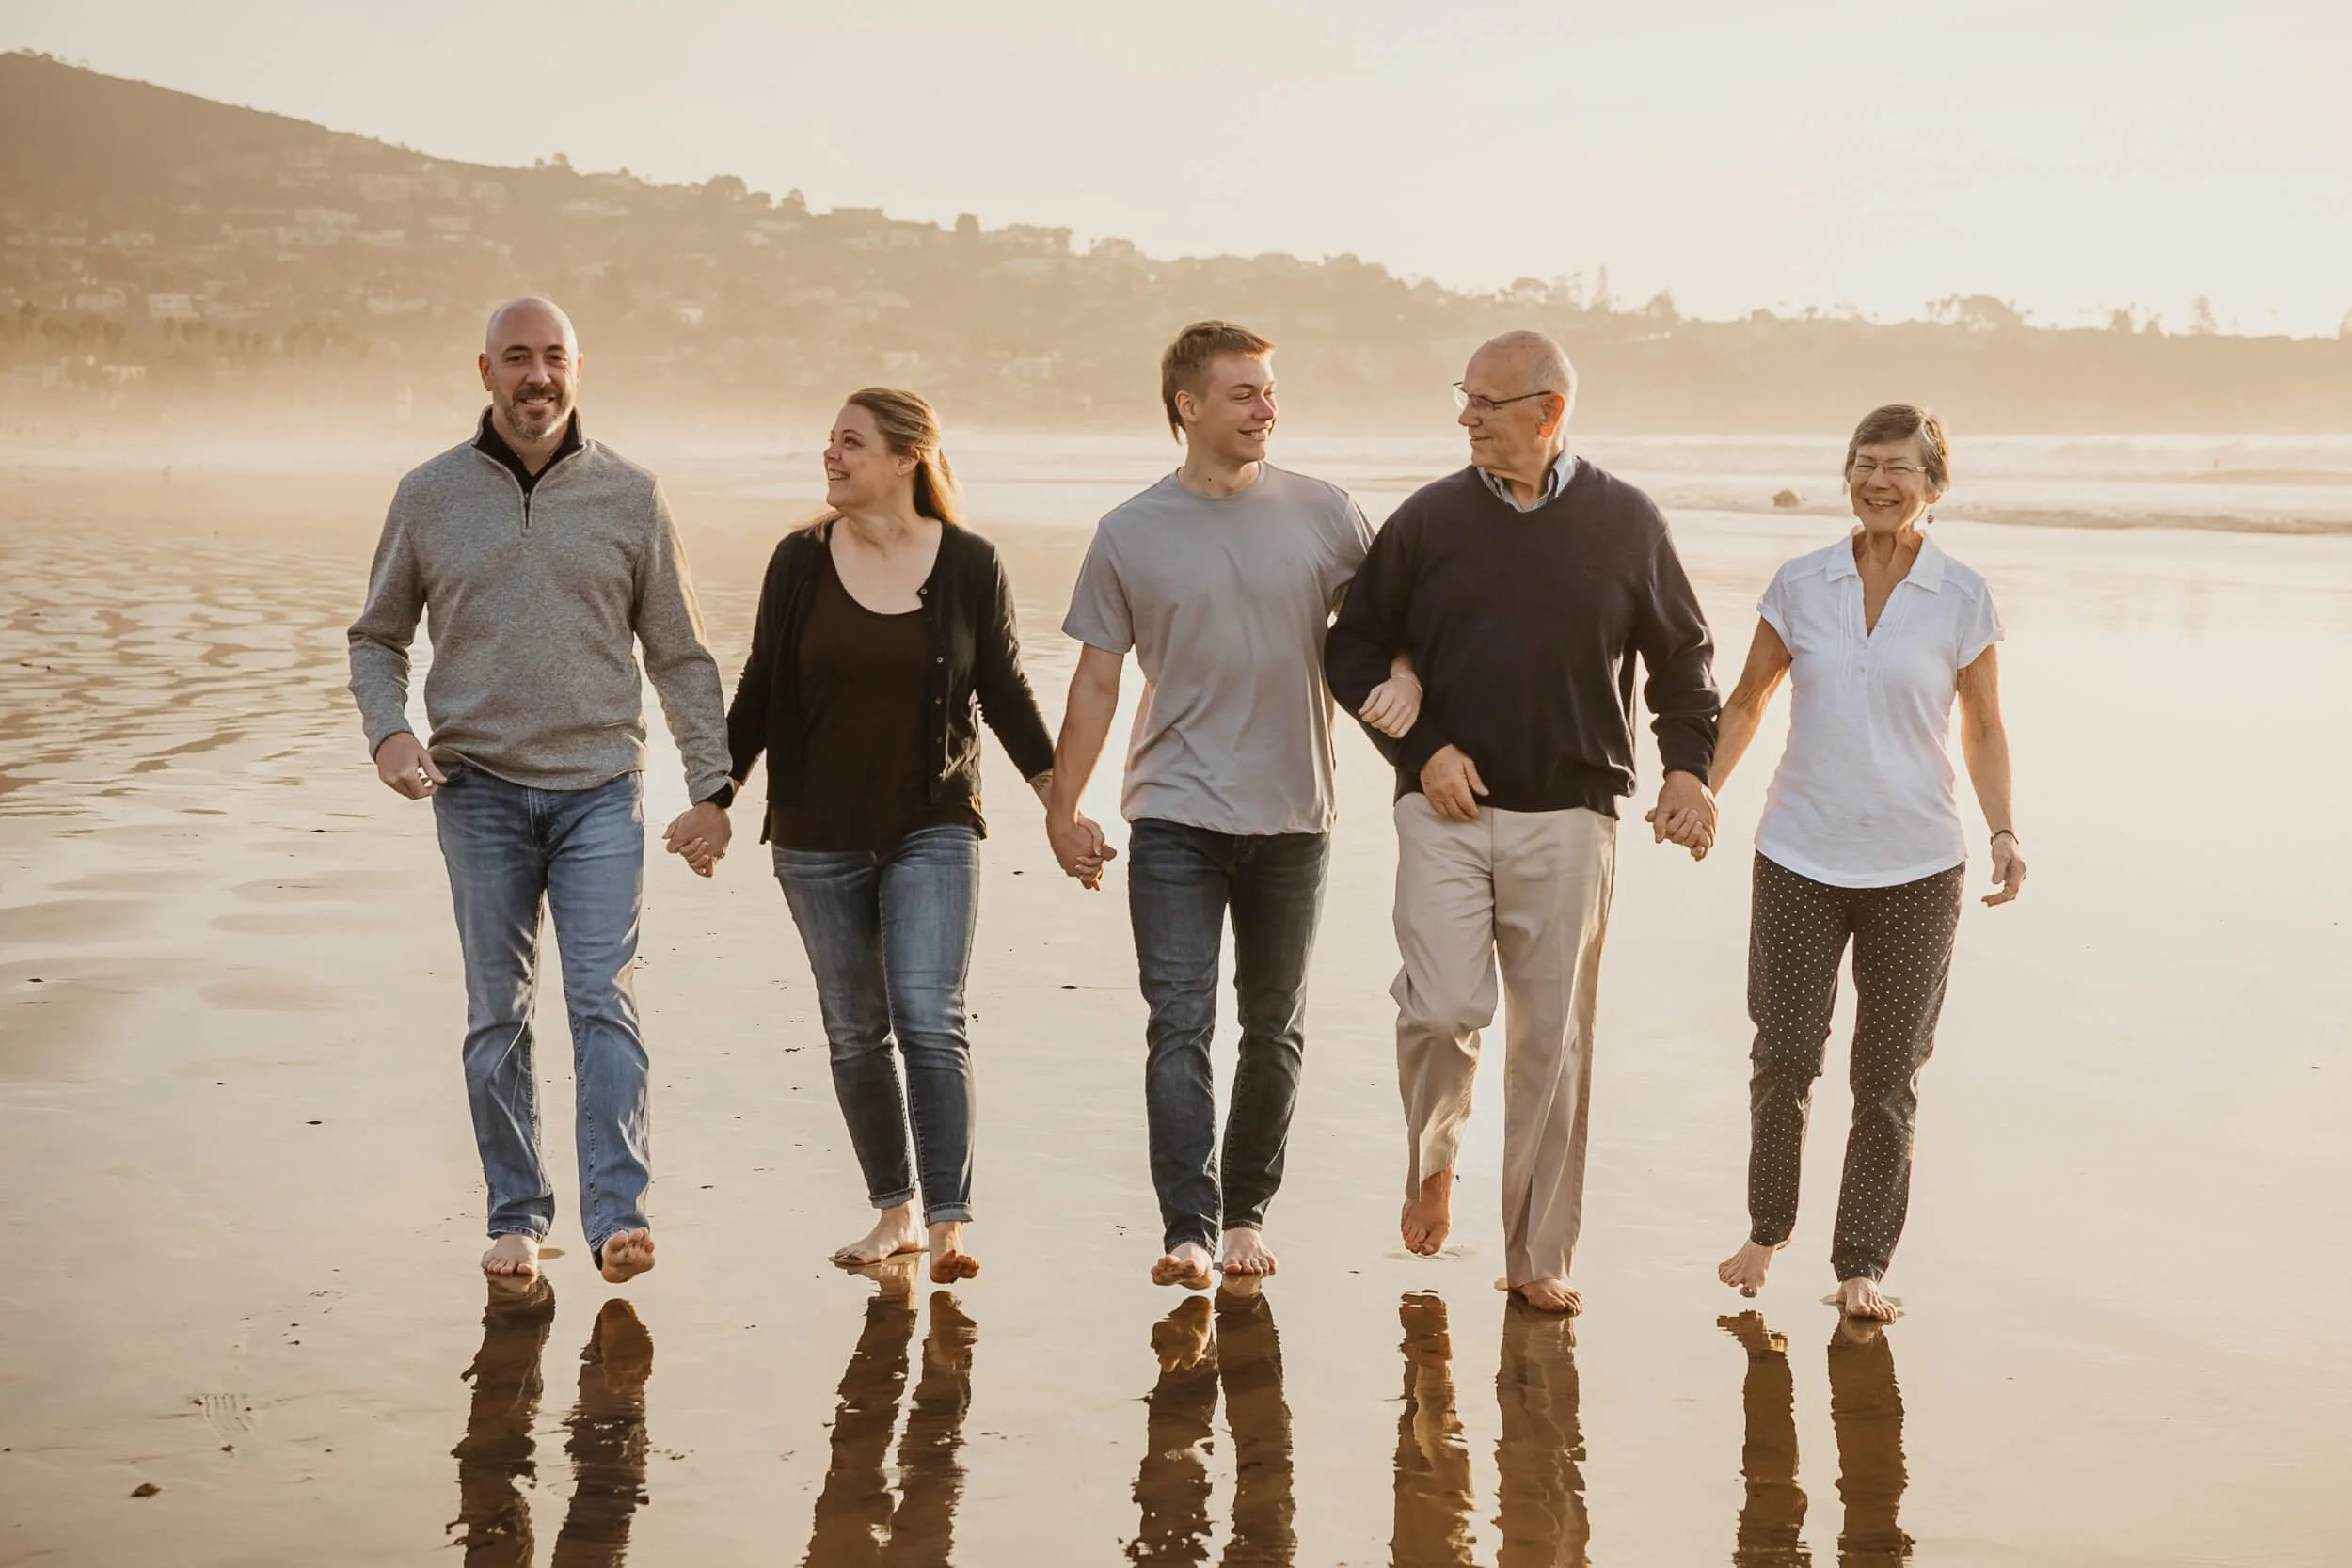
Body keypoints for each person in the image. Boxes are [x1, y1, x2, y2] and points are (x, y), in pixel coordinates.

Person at [1325, 329, 1721, 1314]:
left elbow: (1682, 659)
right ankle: (1434, 1157)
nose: (1466, 417)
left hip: (1573, 815)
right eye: (1462, 399)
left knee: (1553, 1043)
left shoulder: (1626, 521)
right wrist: (1423, 752)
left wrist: (1688, 769)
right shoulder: (1427, 520)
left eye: (1486, 404)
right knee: (1442, 1008)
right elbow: (1353, 650)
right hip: (1444, 811)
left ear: (1547, 412)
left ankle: (1535, 1253)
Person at [349, 296, 733, 1285]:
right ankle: (518, 1213)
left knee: (604, 994)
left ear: (579, 367)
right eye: (517, 358)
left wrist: (711, 786)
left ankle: (617, 1216)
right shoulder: (428, 494)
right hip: (472, 787)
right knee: (497, 1010)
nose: (537, 377)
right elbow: (376, 637)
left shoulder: (632, 496)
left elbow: (681, 653)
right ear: (484, 372)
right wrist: (389, 734)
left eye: (554, 357)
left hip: (603, 787)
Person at [688, 388, 1081, 1285]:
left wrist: (1060, 805)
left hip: (931, 823)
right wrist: (716, 796)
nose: (831, 456)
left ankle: (948, 1223)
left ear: (907, 458)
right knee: (856, 1029)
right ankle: (893, 1212)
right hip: (815, 833)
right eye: (828, 441)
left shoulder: (971, 564)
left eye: (851, 444)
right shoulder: (797, 562)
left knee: (930, 1020)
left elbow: (1010, 697)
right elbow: (757, 690)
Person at [1045, 321, 1402, 1290]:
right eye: (1242, 392)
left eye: (1268, 390)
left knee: (1273, 1022)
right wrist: (1063, 806)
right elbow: (1093, 684)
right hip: (1172, 810)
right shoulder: (1128, 531)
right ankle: (1188, 1227)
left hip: (1294, 811)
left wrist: (1412, 689)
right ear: (1187, 406)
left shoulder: (1326, 513)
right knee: (1178, 1022)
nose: (1263, 407)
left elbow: (1387, 628)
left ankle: (1244, 1210)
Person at [1709, 404, 2024, 1321]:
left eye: (1897, 467)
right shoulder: (1800, 582)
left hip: (1919, 866)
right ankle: (1765, 1230)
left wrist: (2003, 831)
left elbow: (1985, 723)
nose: (1877, 481)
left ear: (1933, 484)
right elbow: (1746, 699)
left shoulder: (1960, 596)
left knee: (1886, 1076)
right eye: (1864, 463)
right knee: (1786, 1052)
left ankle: (1861, 1265)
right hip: (1799, 853)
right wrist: (1703, 791)